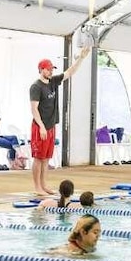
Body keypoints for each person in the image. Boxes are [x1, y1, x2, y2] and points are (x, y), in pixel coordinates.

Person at [30, 46, 91, 196]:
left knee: (46, 158)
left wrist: (81, 58)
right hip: (40, 127)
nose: (51, 71)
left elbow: (70, 72)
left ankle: (44, 186)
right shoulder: (35, 87)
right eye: (48, 69)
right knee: (38, 158)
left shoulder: (52, 82)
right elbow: (34, 109)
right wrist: (42, 127)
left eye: (52, 69)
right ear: (41, 70)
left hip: (51, 126)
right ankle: (37, 187)